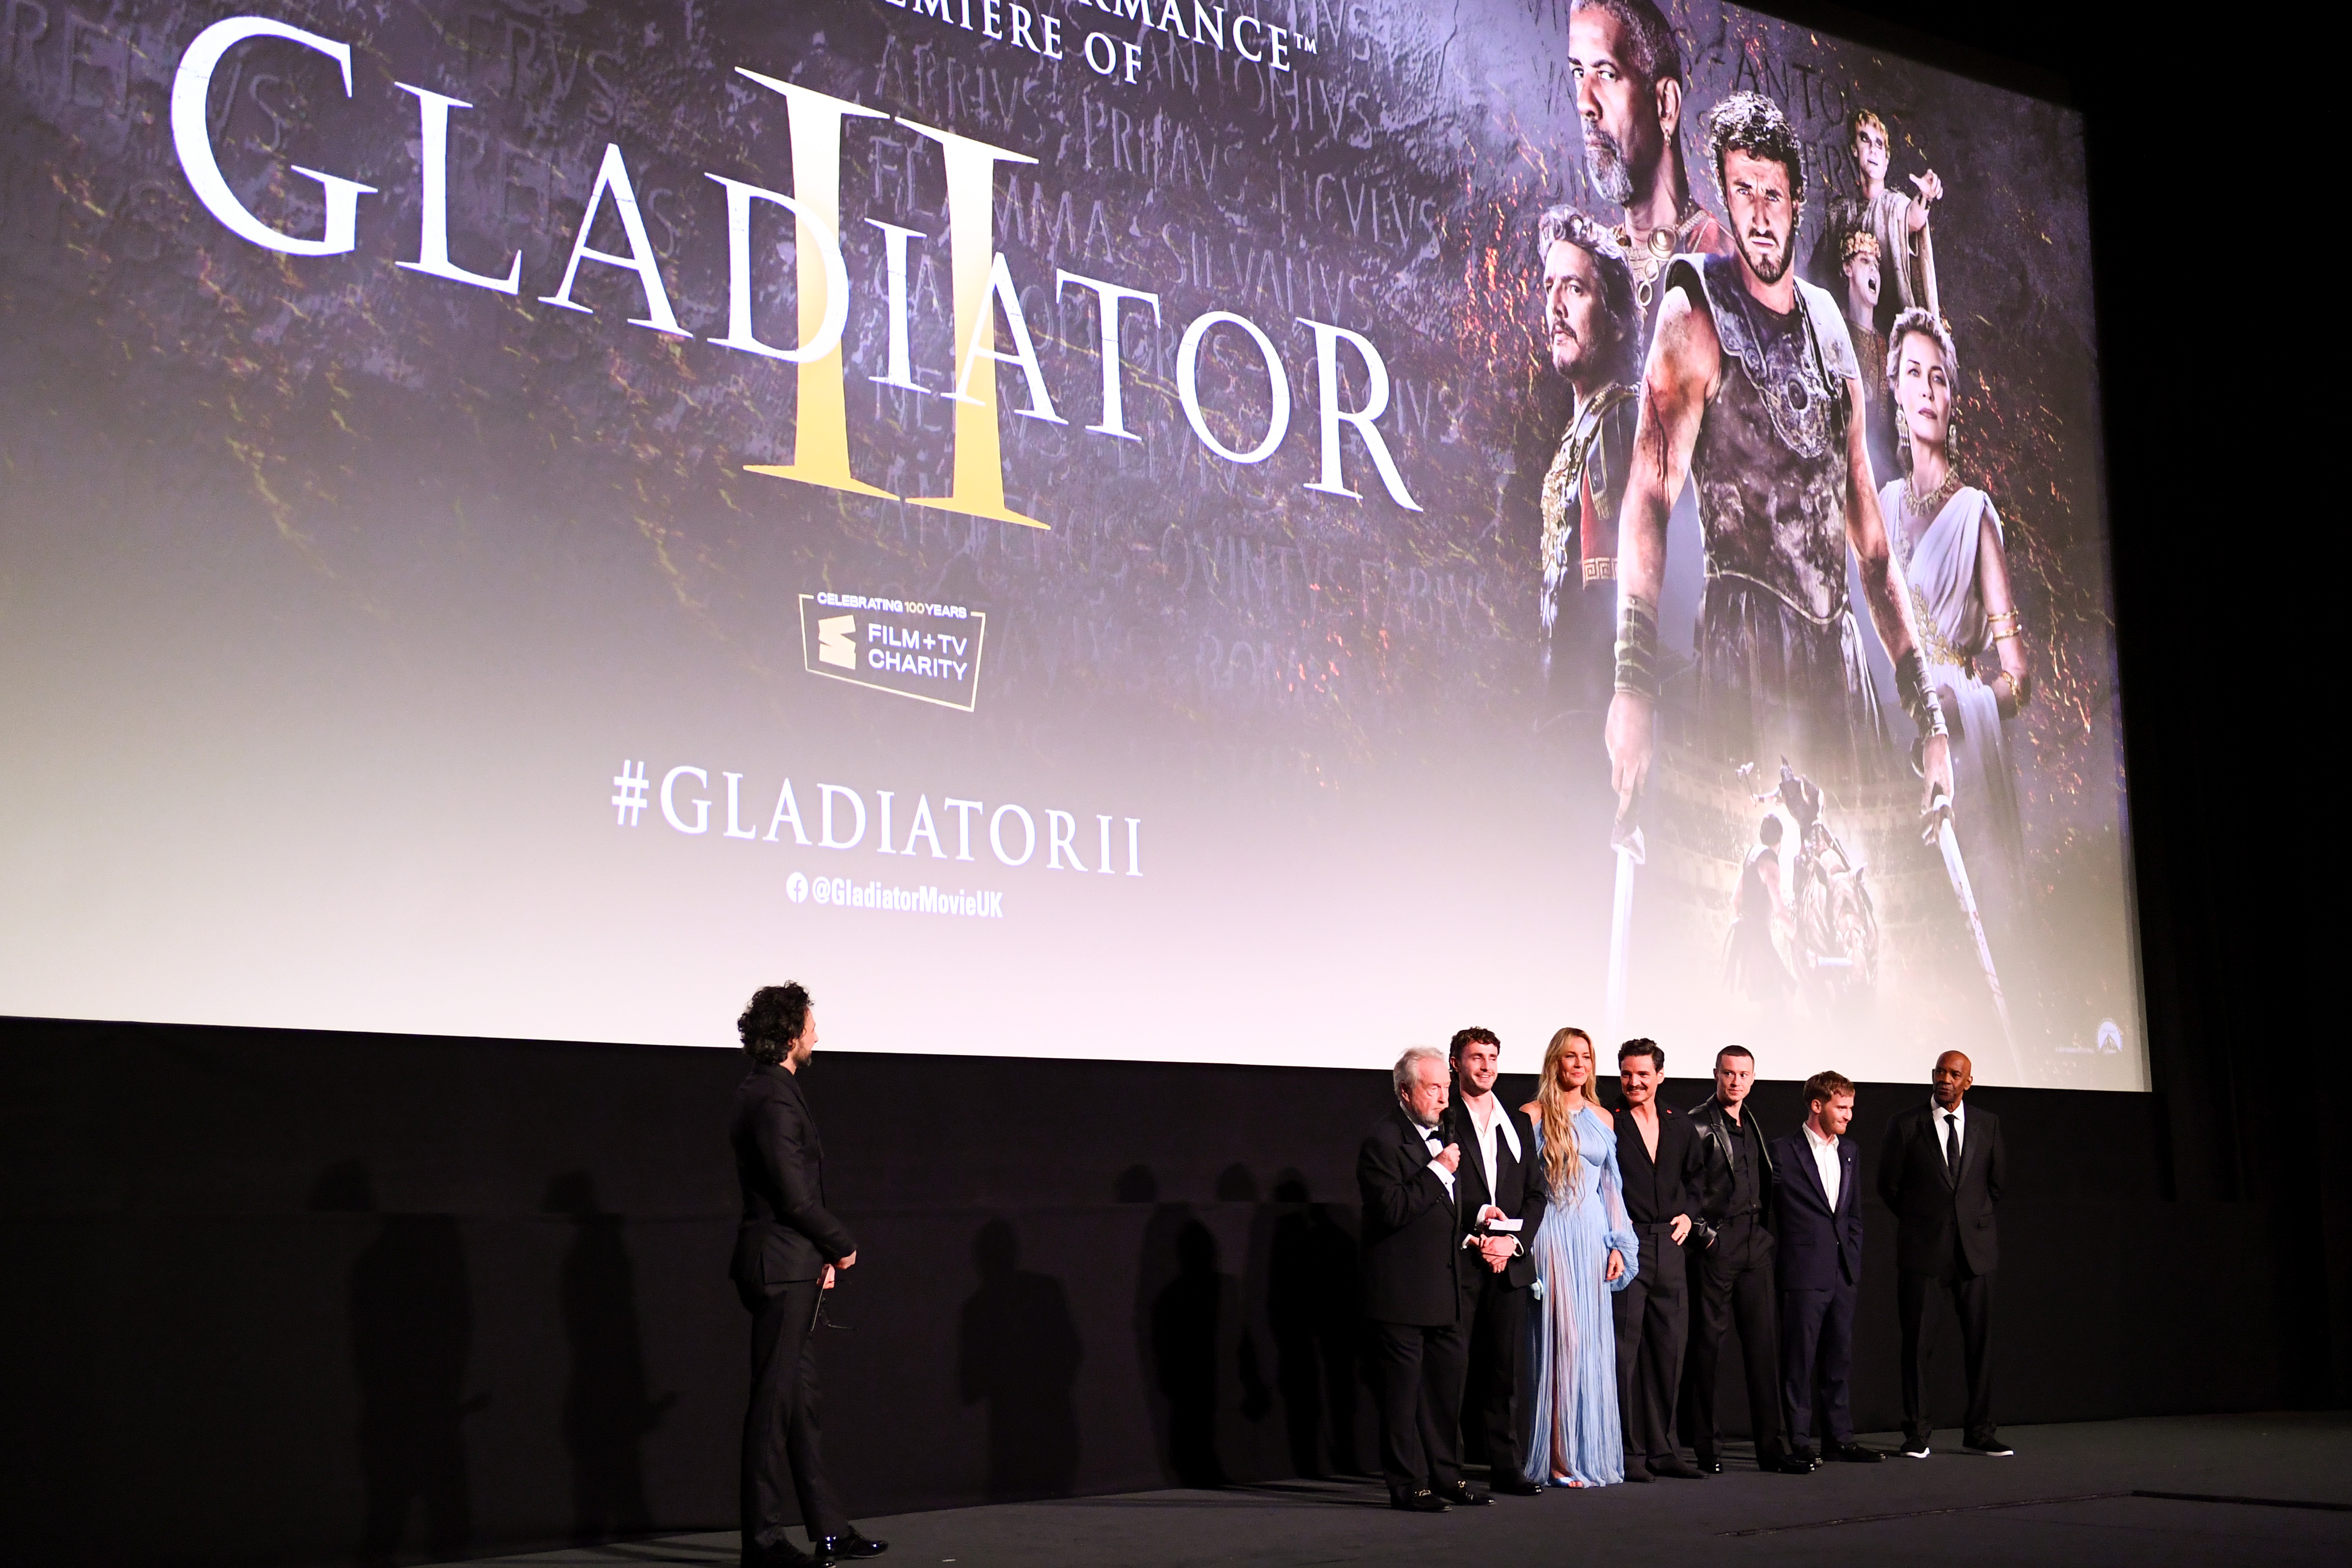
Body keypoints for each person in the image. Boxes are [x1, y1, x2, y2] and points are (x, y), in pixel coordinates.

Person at [1605, 92, 1954, 813]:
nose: (1759, 214)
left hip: (1840, 665)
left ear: (1795, 200)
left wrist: (1927, 711)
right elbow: (1646, 495)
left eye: (1772, 194)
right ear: (1725, 198)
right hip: (1743, 658)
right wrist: (1631, 684)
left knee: (1850, 908)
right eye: (1742, 191)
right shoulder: (1694, 309)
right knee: (1753, 901)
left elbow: (1872, 544)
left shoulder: (1830, 326)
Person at [729, 984, 887, 1568]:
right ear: (792, 1032)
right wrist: (839, 1245)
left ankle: (828, 1529)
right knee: (772, 1408)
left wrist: (815, 1256)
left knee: (800, 1405)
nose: (818, 1034)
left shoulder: (771, 1091)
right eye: (812, 1024)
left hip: (790, 1264)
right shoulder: (771, 1097)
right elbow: (792, 1196)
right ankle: (762, 1541)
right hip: (780, 1268)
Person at [1879, 309, 2030, 924]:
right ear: (1895, 388)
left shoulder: (1975, 515)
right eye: (1912, 373)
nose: (1925, 388)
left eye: (1938, 377)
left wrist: (1961, 702)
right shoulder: (1881, 508)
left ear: (1951, 396)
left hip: (1962, 754)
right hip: (1890, 745)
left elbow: (2018, 679)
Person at [1359, 1046, 1484, 1512]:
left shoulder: (1445, 1133)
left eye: (1446, 1088)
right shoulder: (1383, 1141)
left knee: (1443, 1394)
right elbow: (1392, 1209)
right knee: (1402, 1399)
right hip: (1400, 1295)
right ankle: (1409, 1484)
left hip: (1445, 1292)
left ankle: (1447, 1477)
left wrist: (1477, 1216)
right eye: (1433, 1088)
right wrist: (1437, 1170)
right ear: (1405, 1091)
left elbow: (1443, 1208)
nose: (1443, 1098)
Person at [1681, 1045, 1810, 1474]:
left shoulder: (1750, 1120)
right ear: (1716, 1074)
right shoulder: (1699, 1123)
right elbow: (1684, 1188)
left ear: (1753, 1079)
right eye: (1729, 1073)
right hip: (1719, 1246)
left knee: (1763, 1349)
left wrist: (1764, 1236)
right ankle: (1707, 1448)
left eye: (1743, 1074)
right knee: (1708, 1348)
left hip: (1755, 1244)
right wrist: (1707, 1237)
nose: (1736, 1081)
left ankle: (1772, 1450)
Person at [1519, 1027, 1638, 1487]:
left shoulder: (1603, 1118)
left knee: (1589, 1347)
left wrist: (1618, 1243)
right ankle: (1556, 1458)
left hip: (1591, 1235)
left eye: (1586, 1056)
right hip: (1552, 1233)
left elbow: (1612, 1189)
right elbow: (1523, 1189)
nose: (1579, 1064)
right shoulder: (1531, 1115)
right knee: (1562, 1344)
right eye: (1570, 1056)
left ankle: (1586, 1452)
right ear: (1555, 1062)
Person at [1534, 207, 1644, 707]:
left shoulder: (1619, 423)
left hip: (1594, 713)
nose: (1555, 306)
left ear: (1616, 320)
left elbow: (1612, 596)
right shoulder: (1578, 432)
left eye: (1574, 289)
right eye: (1549, 287)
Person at [1878, 1050, 2010, 1457]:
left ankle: (1981, 1431)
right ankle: (1917, 1432)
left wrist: (1970, 1221)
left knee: (1980, 1344)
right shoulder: (1905, 1124)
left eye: (1955, 1073)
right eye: (1940, 1071)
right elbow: (1889, 1185)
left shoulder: (1988, 1124)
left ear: (1968, 1081)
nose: (1945, 1078)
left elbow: (1997, 1184)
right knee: (1917, 1344)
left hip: (1976, 1253)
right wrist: (1925, 1221)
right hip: (1924, 1251)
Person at [1565, 0, 1731, 322]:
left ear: (1665, 105)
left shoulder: (1726, 270)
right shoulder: (1587, 271)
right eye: (1578, 73)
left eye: (1606, 74)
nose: (1584, 101)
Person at [1443, 1028, 1549, 1496]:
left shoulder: (1517, 1123)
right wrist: (1477, 1229)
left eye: (1491, 1057)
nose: (1485, 1066)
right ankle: (1449, 1467)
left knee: (1503, 1371)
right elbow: (1440, 1189)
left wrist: (1511, 1242)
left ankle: (1505, 1465)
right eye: (1475, 1058)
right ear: (1455, 1063)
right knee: (1455, 1370)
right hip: (1461, 1262)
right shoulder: (1445, 1119)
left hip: (1508, 1265)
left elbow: (1536, 1193)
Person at [1767, 1071, 1879, 1466]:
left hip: (1841, 1272)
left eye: (1851, 1107)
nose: (1849, 1115)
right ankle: (1798, 1440)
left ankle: (1840, 1439)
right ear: (1817, 1105)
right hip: (1802, 1272)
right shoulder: (1782, 1150)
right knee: (1798, 1361)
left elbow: (1853, 1215)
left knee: (1839, 1358)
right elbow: (1771, 1213)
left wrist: (1852, 1256)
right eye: (1842, 1107)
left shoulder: (1849, 1150)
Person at [1609, 1039, 1703, 1480]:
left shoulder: (1680, 1123)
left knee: (1670, 1350)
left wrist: (1690, 1213)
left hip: (1671, 1247)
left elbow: (1698, 1179)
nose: (1634, 1081)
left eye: (1643, 1074)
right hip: (1627, 1247)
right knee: (1624, 1354)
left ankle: (1665, 1449)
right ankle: (1630, 1454)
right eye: (1627, 1073)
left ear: (1660, 1076)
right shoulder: (1609, 1122)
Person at [1828, 110, 1941, 342]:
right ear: (1854, 149)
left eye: (1879, 144)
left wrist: (1925, 197)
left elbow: (1913, 218)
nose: (1872, 149)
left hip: (1892, 341)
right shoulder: (1840, 213)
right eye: (1865, 139)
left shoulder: (1893, 206)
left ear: (1887, 160)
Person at [1837, 228, 1898, 481]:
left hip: (1880, 470)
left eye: (1876, 265)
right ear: (1848, 268)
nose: (1874, 271)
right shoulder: (1835, 328)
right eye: (1865, 261)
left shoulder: (1886, 344)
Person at [1723, 813, 1793, 1002]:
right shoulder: (1770, 864)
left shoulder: (1752, 858)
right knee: (1778, 1005)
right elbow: (1780, 913)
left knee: (1767, 1007)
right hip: (1760, 949)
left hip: (1746, 944)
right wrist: (1800, 942)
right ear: (1780, 841)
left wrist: (1742, 931)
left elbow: (1734, 900)